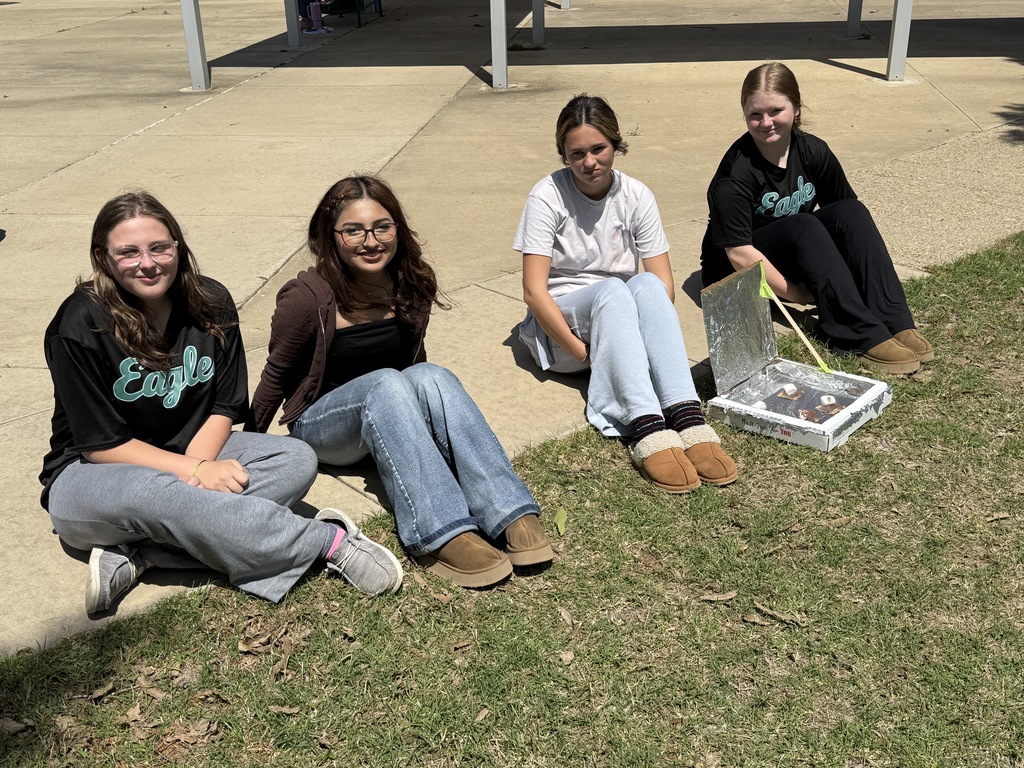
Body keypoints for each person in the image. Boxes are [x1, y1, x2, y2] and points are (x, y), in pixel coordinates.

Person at [41, 191, 403, 615]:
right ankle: (326, 541)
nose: (148, 262)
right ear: (103, 258)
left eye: (160, 247)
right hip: (91, 474)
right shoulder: (78, 324)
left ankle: (146, 555)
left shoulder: (210, 302)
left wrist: (198, 468)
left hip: (192, 450)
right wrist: (195, 474)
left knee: (296, 459)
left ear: (179, 246)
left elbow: (226, 406)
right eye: (128, 252)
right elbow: (101, 444)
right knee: (158, 494)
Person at [251, 175, 552, 589]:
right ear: (330, 236)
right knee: (387, 383)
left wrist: (430, 420)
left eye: (382, 226)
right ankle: (440, 531)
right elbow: (276, 374)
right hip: (323, 428)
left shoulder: (411, 282)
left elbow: (415, 363)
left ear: (397, 228)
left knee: (431, 375)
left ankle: (509, 510)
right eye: (353, 230)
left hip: (388, 410)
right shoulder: (306, 296)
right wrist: (246, 447)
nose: (370, 241)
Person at [515, 94, 739, 494]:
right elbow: (534, 292)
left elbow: (662, 285)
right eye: (576, 153)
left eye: (599, 149)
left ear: (616, 143)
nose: (589, 162)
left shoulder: (636, 195)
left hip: (618, 324)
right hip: (562, 333)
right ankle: (644, 426)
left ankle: (686, 414)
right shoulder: (546, 196)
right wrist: (587, 354)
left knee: (645, 285)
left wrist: (641, 345)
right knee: (613, 291)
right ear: (563, 154)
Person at [700, 61, 933, 375]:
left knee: (851, 212)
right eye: (755, 114)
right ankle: (857, 334)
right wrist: (797, 293)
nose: (765, 122)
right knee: (804, 224)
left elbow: (845, 222)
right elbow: (739, 254)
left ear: (796, 108)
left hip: (794, 251)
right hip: (737, 274)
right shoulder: (735, 175)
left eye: (775, 111)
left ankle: (894, 320)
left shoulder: (812, 151)